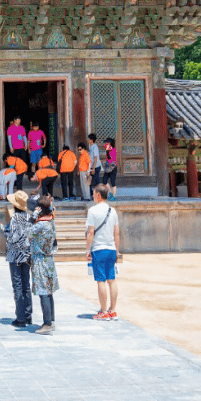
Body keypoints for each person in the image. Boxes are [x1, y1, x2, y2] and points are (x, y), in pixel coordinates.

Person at [86, 184, 120, 320]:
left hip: (99, 249)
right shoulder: (113, 211)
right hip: (111, 248)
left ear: (98, 195)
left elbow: (90, 232)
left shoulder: (92, 211)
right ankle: (113, 310)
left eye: (94, 194)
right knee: (111, 280)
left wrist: (87, 249)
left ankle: (104, 311)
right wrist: (117, 250)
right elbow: (116, 233)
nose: (93, 196)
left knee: (101, 280)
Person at [30, 194, 59, 334]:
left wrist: (32, 217)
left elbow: (26, 232)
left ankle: (47, 323)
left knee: (43, 292)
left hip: (40, 260)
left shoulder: (40, 225)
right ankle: (51, 320)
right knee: (49, 291)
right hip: (50, 260)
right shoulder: (51, 222)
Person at [3, 190, 32, 328]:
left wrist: (5, 231)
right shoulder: (28, 217)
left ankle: (20, 317)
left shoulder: (14, 219)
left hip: (15, 255)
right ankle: (28, 315)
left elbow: (13, 237)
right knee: (26, 285)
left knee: (18, 286)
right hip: (26, 255)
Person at [87, 133, 102, 198]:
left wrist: (93, 168)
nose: (87, 140)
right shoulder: (90, 146)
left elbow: (96, 158)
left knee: (96, 181)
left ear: (91, 140)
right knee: (90, 181)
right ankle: (92, 194)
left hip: (96, 166)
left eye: (88, 139)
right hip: (91, 166)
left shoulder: (95, 147)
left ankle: (98, 194)